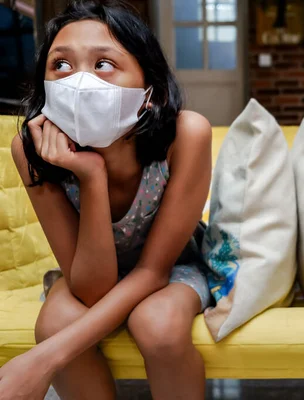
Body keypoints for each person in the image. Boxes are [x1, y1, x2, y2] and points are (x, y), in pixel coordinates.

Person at [1, 1, 212, 399]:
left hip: (172, 267)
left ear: (151, 91)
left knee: (159, 324)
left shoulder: (186, 136)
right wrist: (91, 177)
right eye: (60, 65)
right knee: (55, 322)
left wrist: (42, 361)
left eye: (103, 64)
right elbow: (91, 289)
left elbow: (153, 271)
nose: (79, 81)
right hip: (88, 271)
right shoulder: (29, 149)